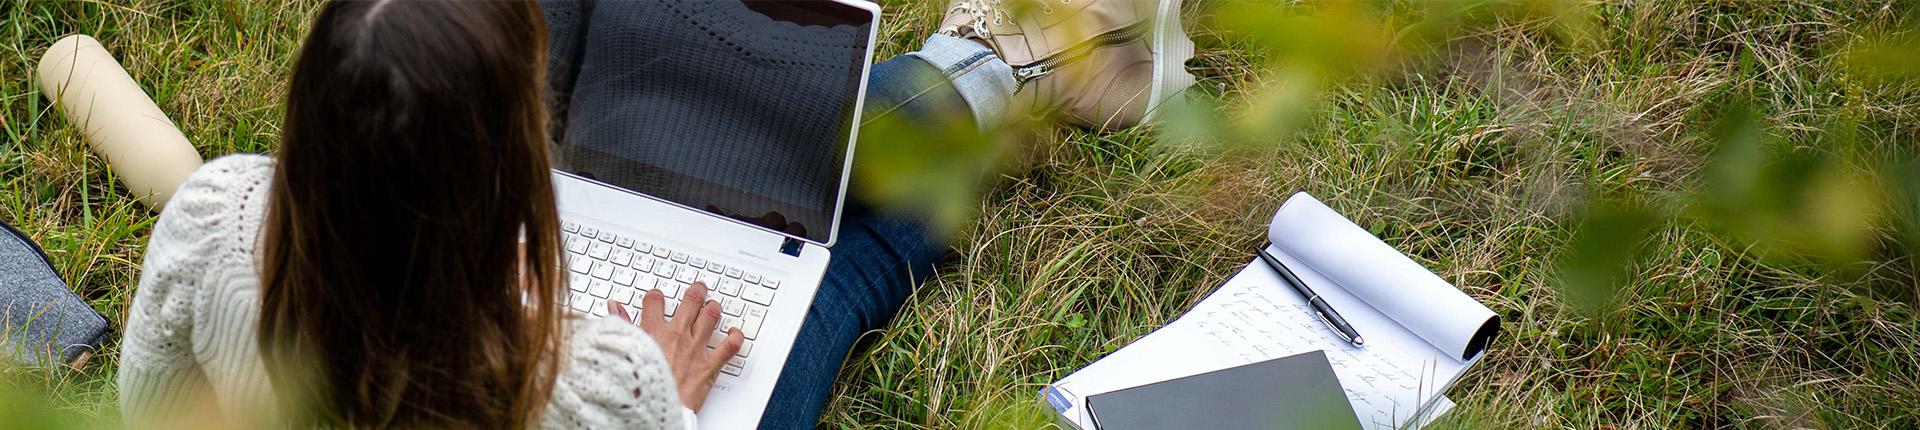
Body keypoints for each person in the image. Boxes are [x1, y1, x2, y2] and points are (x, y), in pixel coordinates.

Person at [118, 0, 1193, 428]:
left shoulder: (215, 212)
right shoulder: (599, 382)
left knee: (839, 174)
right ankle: (1017, 71)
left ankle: (999, 74)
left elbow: (153, 412)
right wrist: (665, 391)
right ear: (511, 182)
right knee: (870, 231)